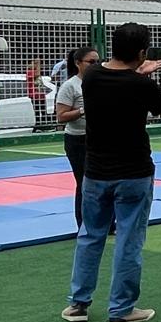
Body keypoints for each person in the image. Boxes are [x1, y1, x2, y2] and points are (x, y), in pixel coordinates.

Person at [62, 23, 161, 322]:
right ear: (142, 52)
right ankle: (121, 309)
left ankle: (78, 304)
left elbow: (116, 79)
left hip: (96, 172)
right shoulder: (142, 86)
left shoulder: (91, 76)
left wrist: (140, 70)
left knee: (90, 236)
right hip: (134, 173)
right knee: (128, 240)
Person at [54, 46, 100, 230]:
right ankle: (84, 225)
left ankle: (106, 222)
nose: (95, 65)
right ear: (78, 63)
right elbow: (61, 116)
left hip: (99, 138)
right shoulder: (70, 86)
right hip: (78, 140)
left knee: (104, 181)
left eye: (98, 62)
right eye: (91, 62)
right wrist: (82, 110)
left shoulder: (100, 82)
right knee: (84, 183)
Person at [25, 58, 48, 130]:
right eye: (34, 63)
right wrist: (38, 64)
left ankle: (44, 126)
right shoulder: (29, 72)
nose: (36, 65)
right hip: (34, 96)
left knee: (44, 112)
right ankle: (37, 127)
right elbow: (37, 74)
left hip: (41, 95)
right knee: (37, 112)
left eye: (37, 63)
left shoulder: (36, 71)